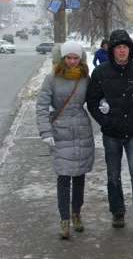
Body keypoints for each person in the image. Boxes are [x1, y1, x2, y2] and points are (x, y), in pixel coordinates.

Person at [86, 29, 133, 235]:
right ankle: (117, 211)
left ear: (130, 50)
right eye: (118, 47)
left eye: (125, 47)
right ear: (112, 50)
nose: (122, 51)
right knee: (113, 176)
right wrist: (104, 122)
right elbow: (92, 102)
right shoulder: (101, 73)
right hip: (112, 133)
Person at [36, 41, 95, 239]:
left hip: (81, 130)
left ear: (81, 59)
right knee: (63, 177)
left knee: (79, 176)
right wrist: (45, 132)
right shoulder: (51, 78)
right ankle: (64, 219)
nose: (71, 61)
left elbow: (94, 98)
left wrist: (103, 104)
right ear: (63, 58)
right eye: (68, 58)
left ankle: (77, 213)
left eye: (75, 58)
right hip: (60, 131)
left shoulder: (85, 78)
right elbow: (42, 106)